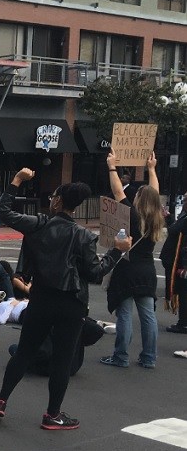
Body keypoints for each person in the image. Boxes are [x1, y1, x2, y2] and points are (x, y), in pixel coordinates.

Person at [0, 168, 130, 431]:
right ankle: (52, 414)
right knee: (62, 359)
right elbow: (94, 273)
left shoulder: (39, 224)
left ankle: (1, 399)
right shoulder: (83, 235)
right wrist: (116, 253)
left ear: (58, 201)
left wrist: (17, 181)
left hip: (41, 298)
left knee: (24, 351)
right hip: (71, 303)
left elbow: (3, 211)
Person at [100, 149, 163, 369]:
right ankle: (148, 357)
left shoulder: (132, 215)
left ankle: (121, 356)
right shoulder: (156, 218)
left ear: (138, 200)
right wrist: (152, 169)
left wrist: (111, 166)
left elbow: (117, 191)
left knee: (124, 314)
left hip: (127, 269)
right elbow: (154, 192)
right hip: (147, 271)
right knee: (148, 317)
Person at [161, 205, 187, 334]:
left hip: (182, 261)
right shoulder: (184, 216)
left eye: (185, 200)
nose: (183, 202)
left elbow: (173, 229)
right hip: (180, 259)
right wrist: (169, 217)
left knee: (183, 292)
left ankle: (183, 323)